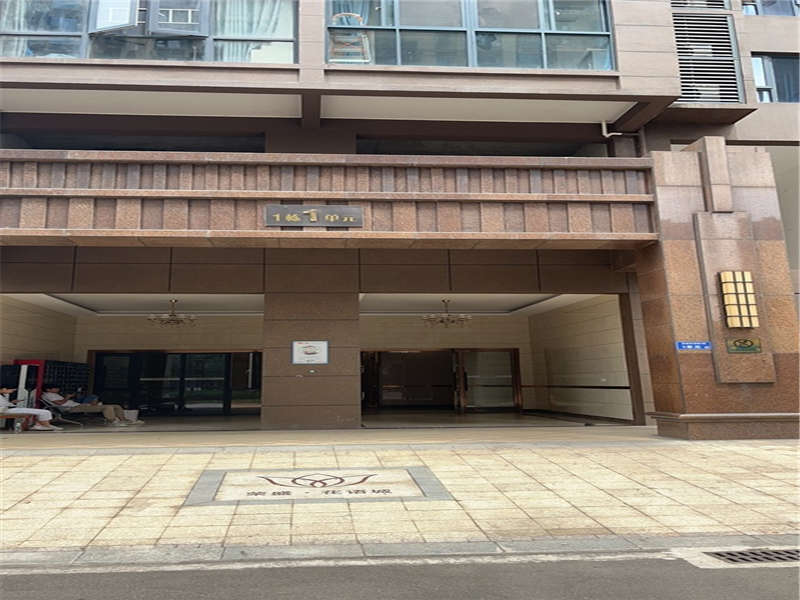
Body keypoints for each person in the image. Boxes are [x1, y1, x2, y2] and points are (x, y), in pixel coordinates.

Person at [40, 384, 144, 427]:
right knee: (107, 407)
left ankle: (124, 420)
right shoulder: (48, 395)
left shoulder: (54, 394)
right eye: (55, 388)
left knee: (116, 405)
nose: (57, 389)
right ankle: (113, 421)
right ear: (48, 389)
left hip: (78, 405)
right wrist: (67, 397)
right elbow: (60, 403)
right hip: (71, 408)